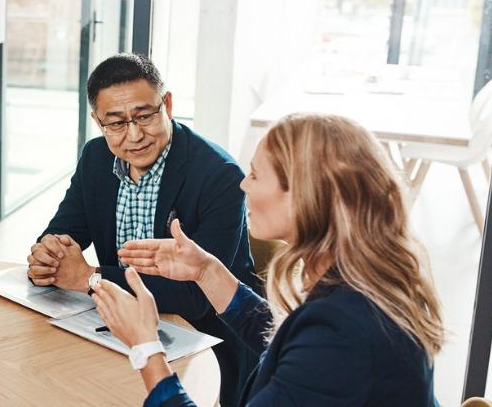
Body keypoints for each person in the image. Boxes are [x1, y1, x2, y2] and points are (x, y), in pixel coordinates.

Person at [94, 113, 444, 406]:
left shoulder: (344, 333)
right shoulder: (360, 280)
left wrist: (146, 347)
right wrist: (206, 271)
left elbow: (314, 349)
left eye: (256, 174)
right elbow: (289, 345)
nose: (244, 185)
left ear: (305, 197)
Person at [27, 53, 259, 407]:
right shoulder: (96, 157)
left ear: (167, 103)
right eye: (116, 123)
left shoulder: (220, 175)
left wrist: (88, 277)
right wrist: (50, 254)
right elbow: (65, 230)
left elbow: (197, 298)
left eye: (144, 116)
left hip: (203, 343)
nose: (134, 135)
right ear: (97, 120)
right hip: (118, 333)